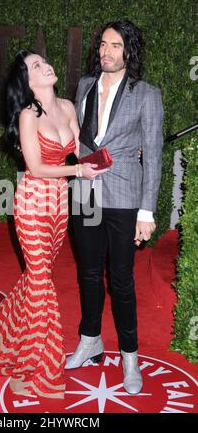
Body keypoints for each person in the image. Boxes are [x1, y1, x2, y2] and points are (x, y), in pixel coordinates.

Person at [0, 49, 107, 399]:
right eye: (36, 67)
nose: (46, 66)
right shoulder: (28, 115)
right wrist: (77, 171)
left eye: (45, 61)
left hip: (59, 206)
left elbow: (80, 154)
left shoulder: (69, 108)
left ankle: (6, 334)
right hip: (32, 203)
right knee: (42, 284)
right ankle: (37, 369)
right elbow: (38, 167)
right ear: (27, 82)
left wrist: (107, 159)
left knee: (36, 281)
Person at [65, 20, 164, 395]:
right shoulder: (85, 86)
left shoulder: (147, 94)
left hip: (124, 197)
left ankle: (130, 357)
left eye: (116, 46)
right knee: (88, 274)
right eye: (103, 44)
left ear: (129, 52)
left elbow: (152, 155)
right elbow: (79, 139)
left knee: (120, 281)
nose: (106, 51)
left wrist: (147, 212)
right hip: (86, 192)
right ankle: (90, 340)